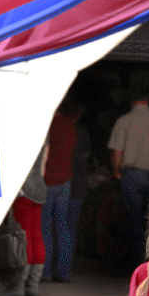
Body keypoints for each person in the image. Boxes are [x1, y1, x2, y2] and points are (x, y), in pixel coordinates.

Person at [108, 97, 149, 267]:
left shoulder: (124, 121)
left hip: (132, 175)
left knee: (134, 220)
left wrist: (116, 171)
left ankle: (138, 264)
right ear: (147, 100)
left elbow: (117, 151)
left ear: (131, 101)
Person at [42, 101, 85, 283]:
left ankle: (44, 271)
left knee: (45, 227)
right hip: (65, 179)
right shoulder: (70, 124)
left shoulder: (46, 123)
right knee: (63, 226)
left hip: (46, 180)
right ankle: (63, 271)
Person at [7, 140, 48, 296]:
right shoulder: (45, 131)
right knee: (35, 235)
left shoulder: (24, 127)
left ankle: (18, 286)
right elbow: (43, 163)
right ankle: (32, 285)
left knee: (23, 237)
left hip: (23, 190)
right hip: (39, 187)